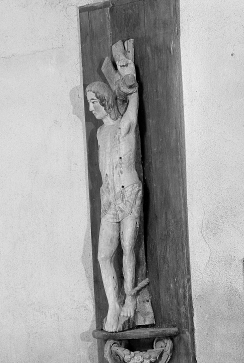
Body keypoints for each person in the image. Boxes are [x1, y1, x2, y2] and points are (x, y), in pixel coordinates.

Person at [86, 55, 141, 332]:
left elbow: (133, 99)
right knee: (103, 256)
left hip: (129, 193)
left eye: (93, 102)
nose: (90, 108)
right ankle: (114, 306)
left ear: (105, 100)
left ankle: (130, 298)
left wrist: (130, 77)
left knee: (129, 247)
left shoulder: (125, 125)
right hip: (109, 199)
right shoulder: (100, 133)